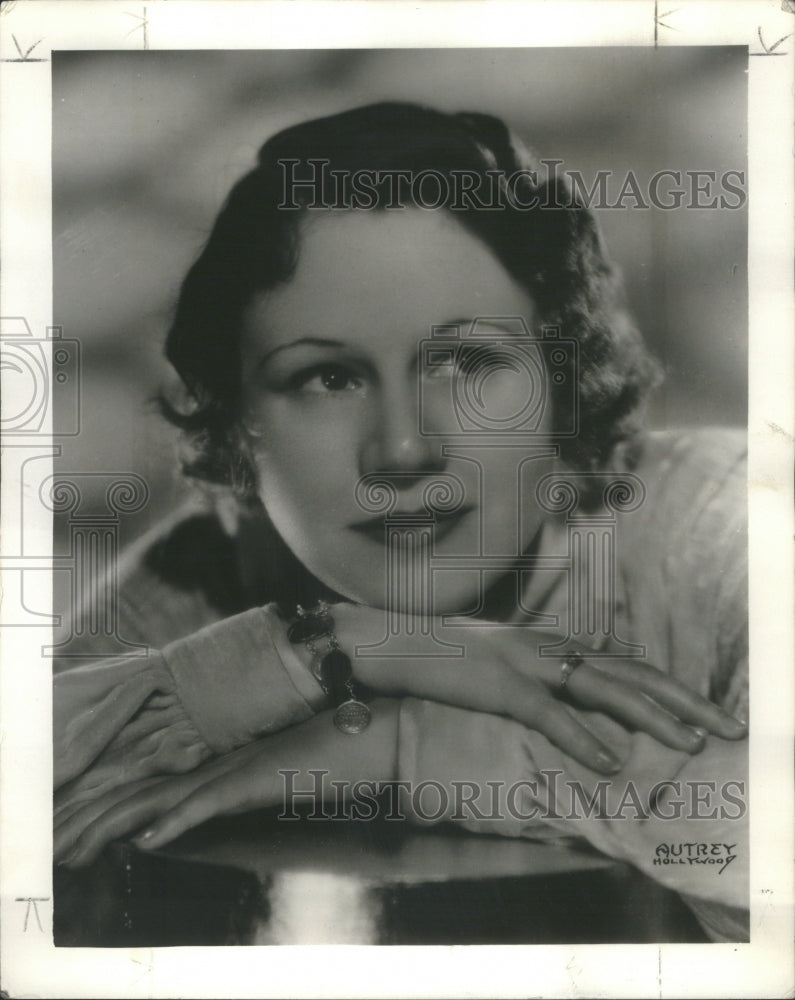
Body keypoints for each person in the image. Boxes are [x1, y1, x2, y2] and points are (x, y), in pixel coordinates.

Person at [53, 102, 749, 941]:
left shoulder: (719, 521)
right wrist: (321, 647)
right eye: (327, 378)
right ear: (240, 426)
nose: (403, 450)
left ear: (561, 383)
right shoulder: (210, 575)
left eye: (466, 363)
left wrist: (408, 747)